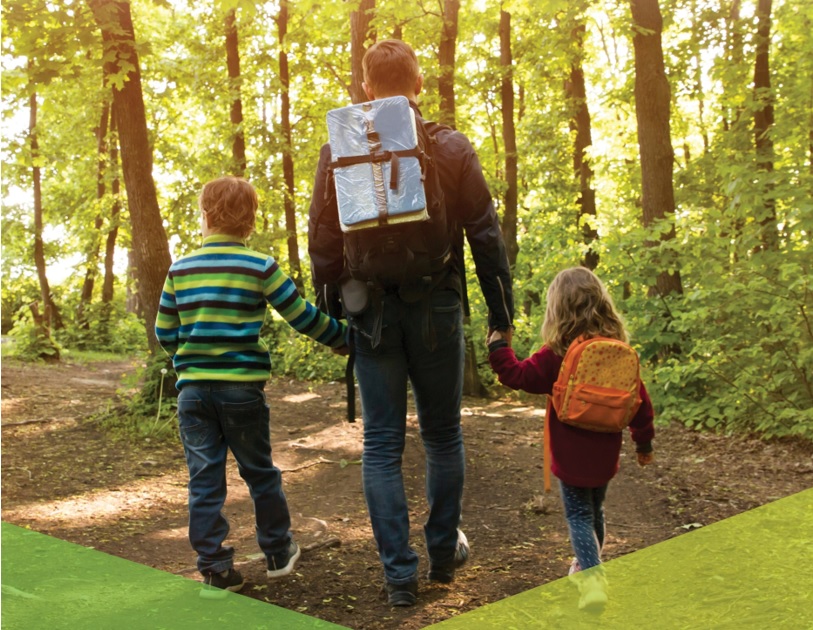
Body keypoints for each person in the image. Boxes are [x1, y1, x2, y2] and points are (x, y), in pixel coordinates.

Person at [308, 40, 515, 606]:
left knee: (381, 445)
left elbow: (323, 244)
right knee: (443, 434)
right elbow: (485, 236)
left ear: (367, 88)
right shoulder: (448, 146)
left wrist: (334, 318)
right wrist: (503, 318)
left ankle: (399, 577)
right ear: (418, 84)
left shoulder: (338, 151)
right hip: (437, 307)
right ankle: (443, 557)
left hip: (370, 313)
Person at [155, 176, 347, 595]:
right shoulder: (260, 266)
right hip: (242, 393)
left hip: (193, 394)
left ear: (205, 216)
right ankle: (278, 553)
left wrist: (188, 363)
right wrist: (344, 338)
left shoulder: (180, 269)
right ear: (250, 221)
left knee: (204, 479)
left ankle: (216, 569)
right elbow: (300, 315)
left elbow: (164, 331)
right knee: (260, 472)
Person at [487, 266, 655, 612]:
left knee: (578, 515)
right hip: (606, 451)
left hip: (570, 452)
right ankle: (584, 566)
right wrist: (643, 442)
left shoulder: (557, 354)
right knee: (595, 511)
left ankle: (592, 580)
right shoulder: (617, 351)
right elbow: (640, 401)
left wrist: (499, 347)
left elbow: (516, 375)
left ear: (557, 309)